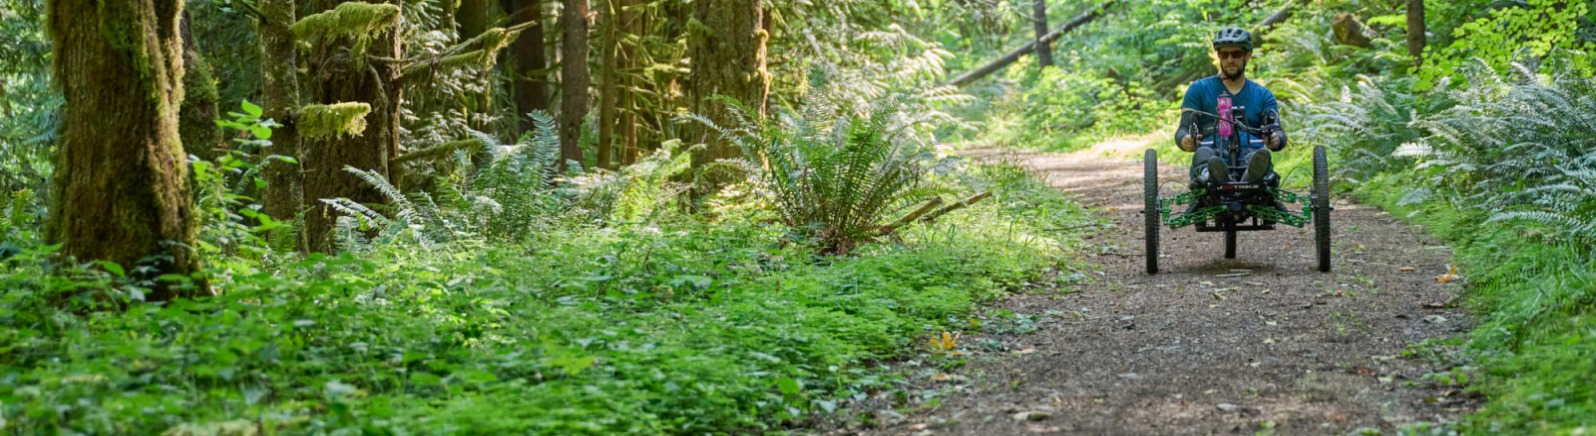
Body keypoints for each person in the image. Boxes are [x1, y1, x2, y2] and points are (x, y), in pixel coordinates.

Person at [1175, 27, 1287, 187]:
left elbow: (1279, 132)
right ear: (1218, 56)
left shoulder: (1263, 94)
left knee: (1257, 156)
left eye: (1236, 54)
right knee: (1205, 155)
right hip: (1211, 151)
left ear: (1247, 55)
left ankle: (1251, 177)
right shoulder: (1198, 89)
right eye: (1223, 54)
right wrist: (1184, 140)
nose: (1229, 59)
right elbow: (1182, 130)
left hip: (1250, 150)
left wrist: (1276, 139)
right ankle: (1214, 176)